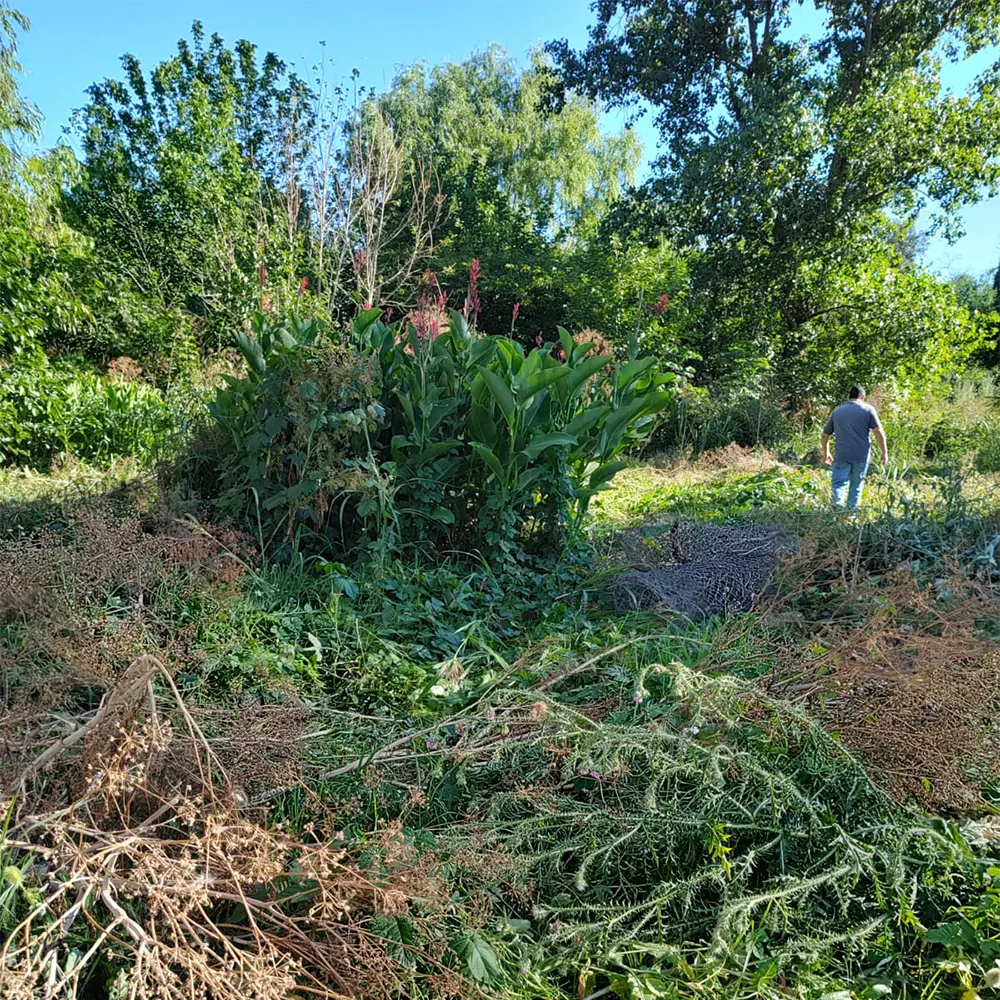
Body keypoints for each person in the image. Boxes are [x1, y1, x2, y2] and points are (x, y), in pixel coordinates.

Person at [820, 386, 888, 511]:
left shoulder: (838, 411)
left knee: (839, 483)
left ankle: (837, 506)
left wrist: (826, 453)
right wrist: (884, 451)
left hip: (842, 454)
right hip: (861, 455)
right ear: (863, 397)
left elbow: (825, 435)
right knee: (856, 485)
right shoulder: (868, 409)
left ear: (849, 397)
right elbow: (878, 431)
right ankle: (850, 515)